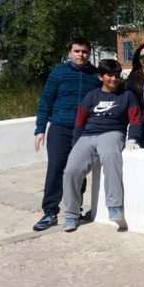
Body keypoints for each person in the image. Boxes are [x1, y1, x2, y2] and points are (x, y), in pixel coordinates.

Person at [61, 59, 143, 232]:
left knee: (111, 158)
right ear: (100, 77)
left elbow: (135, 119)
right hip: (87, 135)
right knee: (71, 170)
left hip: (112, 133)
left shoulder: (127, 95)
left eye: (116, 76)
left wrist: (133, 138)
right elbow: (79, 121)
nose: (114, 79)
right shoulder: (91, 96)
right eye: (109, 75)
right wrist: (76, 144)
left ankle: (113, 205)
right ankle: (71, 214)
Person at [32, 37, 101, 231]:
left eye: (85, 51)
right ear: (70, 52)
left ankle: (74, 209)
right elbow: (46, 101)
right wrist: (40, 129)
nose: (81, 54)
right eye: (77, 51)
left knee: (78, 170)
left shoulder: (95, 76)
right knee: (56, 168)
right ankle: (50, 212)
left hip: (84, 130)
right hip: (60, 128)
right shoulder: (58, 73)